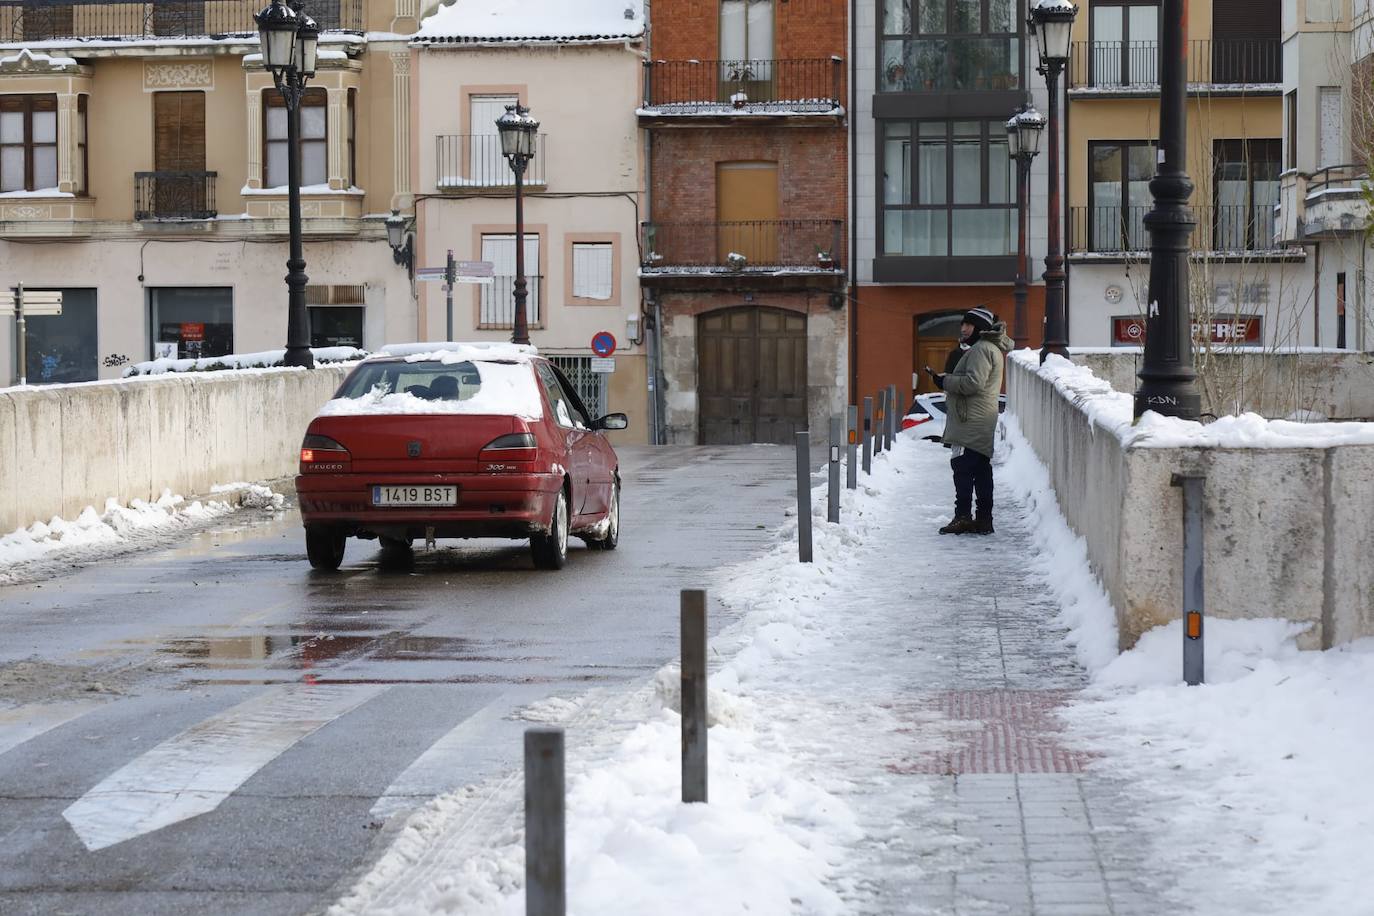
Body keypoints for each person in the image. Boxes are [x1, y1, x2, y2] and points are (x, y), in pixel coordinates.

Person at [924, 306, 1012, 535]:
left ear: (979, 327)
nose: (963, 328)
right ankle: (983, 520)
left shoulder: (981, 350)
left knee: (962, 468)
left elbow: (973, 383)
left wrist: (945, 382)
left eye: (968, 324)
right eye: (962, 324)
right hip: (979, 418)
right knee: (981, 470)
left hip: (969, 419)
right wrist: (949, 379)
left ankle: (963, 517)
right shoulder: (988, 348)